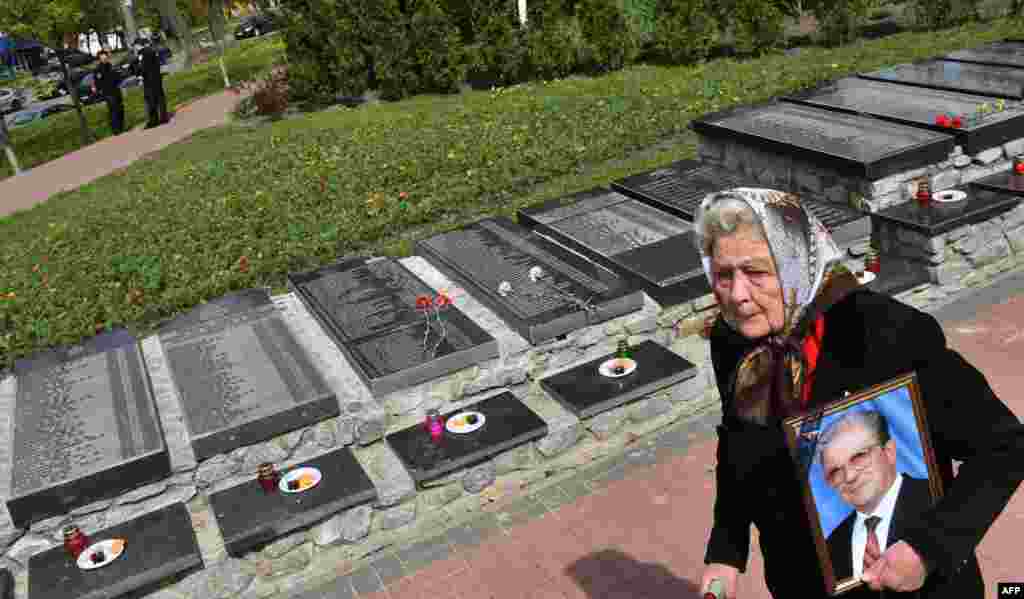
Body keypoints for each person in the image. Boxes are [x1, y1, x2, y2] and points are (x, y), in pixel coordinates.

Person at [695, 188, 1023, 599]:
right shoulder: (734, 341)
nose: (738, 295)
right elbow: (736, 440)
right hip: (800, 580)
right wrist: (727, 547)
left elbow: (1004, 446)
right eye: (724, 275)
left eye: (756, 272)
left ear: (796, 263)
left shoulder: (885, 332)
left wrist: (928, 549)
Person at [817, 410, 933, 583]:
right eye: (835, 471)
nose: (849, 476)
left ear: (889, 452)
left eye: (858, 456)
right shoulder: (831, 548)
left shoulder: (938, 499)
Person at [132, 38, 168, 128]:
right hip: (156, 78)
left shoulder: (142, 53)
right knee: (160, 97)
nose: (135, 48)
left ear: (137, 45)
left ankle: (153, 120)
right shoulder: (152, 51)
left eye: (135, 46)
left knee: (150, 100)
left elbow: (142, 67)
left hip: (148, 80)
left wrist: (139, 76)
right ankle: (164, 117)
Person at [92, 50, 125, 134]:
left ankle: (121, 127)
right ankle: (116, 129)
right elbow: (97, 82)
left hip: (116, 90)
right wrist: (99, 90)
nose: (105, 59)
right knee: (113, 109)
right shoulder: (98, 70)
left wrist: (119, 82)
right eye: (102, 58)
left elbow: (118, 76)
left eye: (106, 57)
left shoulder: (111, 66)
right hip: (107, 92)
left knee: (120, 108)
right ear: (99, 59)